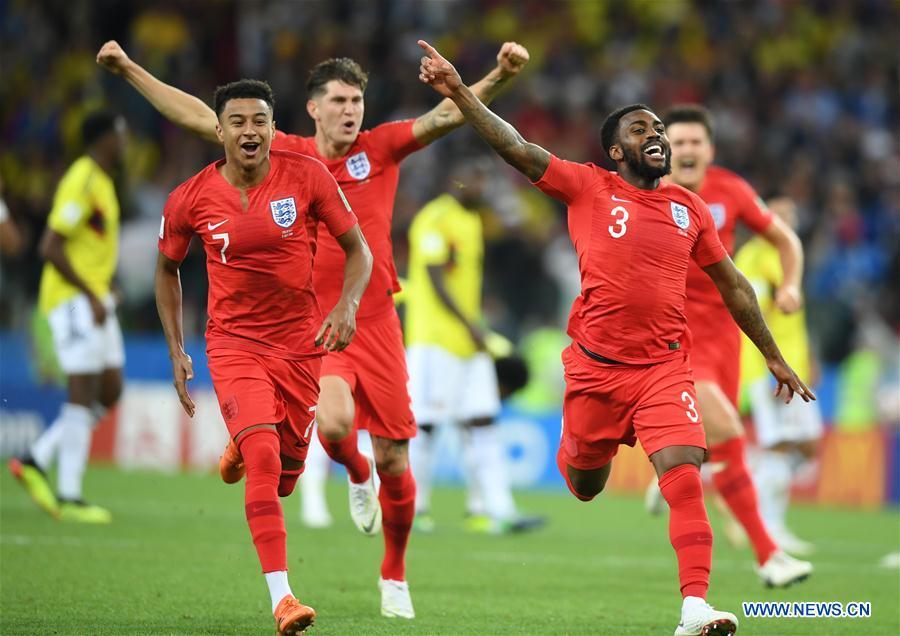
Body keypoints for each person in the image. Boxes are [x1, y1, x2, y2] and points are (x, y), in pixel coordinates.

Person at [97, 38, 530, 618]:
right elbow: (198, 115)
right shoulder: (284, 149)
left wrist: (497, 74)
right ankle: (353, 471)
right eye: (340, 101)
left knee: (397, 463)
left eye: (358, 100)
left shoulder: (380, 148)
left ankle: (394, 573)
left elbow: (448, 112)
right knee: (334, 423)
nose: (352, 111)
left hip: (373, 319)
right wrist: (129, 70)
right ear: (312, 109)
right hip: (309, 323)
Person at [417, 40, 815, 636]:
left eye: (659, 126)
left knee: (683, 472)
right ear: (615, 149)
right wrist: (459, 93)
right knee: (583, 484)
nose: (656, 134)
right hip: (595, 370)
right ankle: (578, 449)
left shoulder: (690, 209)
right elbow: (515, 146)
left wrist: (775, 357)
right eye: (640, 129)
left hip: (662, 369)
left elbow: (734, 286)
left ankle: (696, 608)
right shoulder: (588, 186)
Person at [156, 79, 372, 635]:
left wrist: (346, 305)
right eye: (238, 122)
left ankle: (238, 447)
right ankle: (283, 599)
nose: (250, 131)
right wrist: (177, 347)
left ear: (274, 128)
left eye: (260, 121)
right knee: (265, 457)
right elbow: (167, 269)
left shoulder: (307, 177)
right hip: (234, 345)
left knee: (283, 477)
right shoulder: (190, 197)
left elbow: (358, 251)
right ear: (220, 130)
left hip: (301, 347)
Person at [643, 105, 813, 586]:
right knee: (729, 436)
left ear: (710, 149)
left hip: (726, 339)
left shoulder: (731, 191)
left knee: (715, 441)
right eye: (680, 142)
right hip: (672, 339)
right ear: (662, 149)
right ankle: (769, 555)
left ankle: (674, 466)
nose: (689, 150)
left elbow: (786, 240)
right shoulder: (646, 193)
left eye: (698, 142)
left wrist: (792, 285)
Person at [405, 158, 544, 534]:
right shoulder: (434, 219)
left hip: (468, 342)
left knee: (483, 421)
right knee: (427, 425)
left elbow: (462, 280)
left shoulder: (471, 221)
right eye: (473, 177)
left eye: (483, 179)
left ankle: (496, 510)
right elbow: (434, 276)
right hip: (434, 340)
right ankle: (415, 508)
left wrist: (477, 319)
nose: (479, 186)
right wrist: (471, 324)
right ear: (455, 179)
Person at [9, 110, 127, 524]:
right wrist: (88, 292)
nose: (125, 140)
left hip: (94, 297)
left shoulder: (104, 181)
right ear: (103, 137)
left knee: (110, 389)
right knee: (82, 390)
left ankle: (36, 457)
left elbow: (87, 245)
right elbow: (50, 246)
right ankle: (70, 494)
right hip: (73, 301)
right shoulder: (83, 179)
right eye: (120, 132)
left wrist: (104, 286)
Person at [736, 197, 823, 556]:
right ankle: (769, 529)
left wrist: (809, 356)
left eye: (792, 214)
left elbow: (793, 318)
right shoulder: (753, 257)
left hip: (796, 365)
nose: (788, 220)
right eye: (780, 214)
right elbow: (752, 310)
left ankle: (752, 487)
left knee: (810, 444)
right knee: (780, 444)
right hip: (765, 368)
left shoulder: (789, 254)